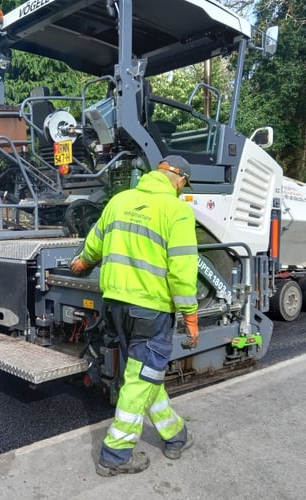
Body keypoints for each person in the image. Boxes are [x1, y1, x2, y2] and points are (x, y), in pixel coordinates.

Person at [71, 154, 200, 476]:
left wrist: (82, 262)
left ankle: (175, 434)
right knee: (139, 379)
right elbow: (183, 271)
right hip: (151, 310)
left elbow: (95, 244)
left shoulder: (119, 201)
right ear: (180, 180)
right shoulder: (178, 211)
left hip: (115, 306)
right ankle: (115, 454)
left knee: (145, 376)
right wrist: (191, 315)